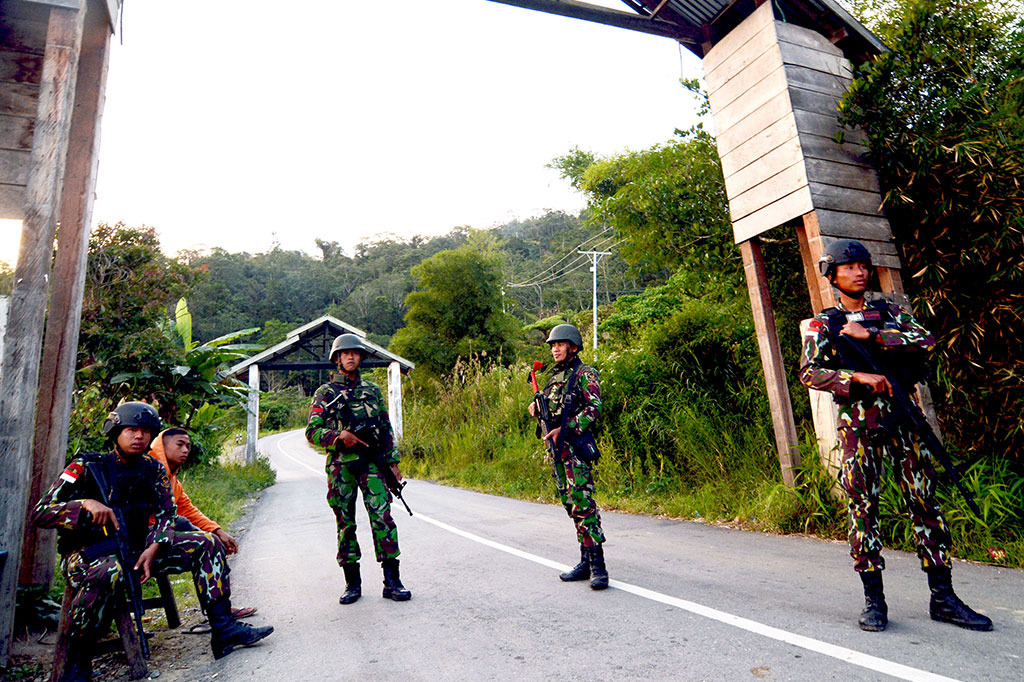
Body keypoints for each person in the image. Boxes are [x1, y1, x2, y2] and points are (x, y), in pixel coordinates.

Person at [798, 239, 992, 633]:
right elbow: (809, 372)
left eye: (863, 266)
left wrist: (875, 338)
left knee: (925, 505)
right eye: (849, 267)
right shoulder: (825, 324)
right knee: (863, 508)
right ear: (832, 276)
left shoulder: (890, 314)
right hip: (860, 427)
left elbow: (926, 340)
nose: (859, 272)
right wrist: (855, 377)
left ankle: (944, 598)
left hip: (905, 421)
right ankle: (874, 601)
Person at [33, 402, 274, 682]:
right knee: (109, 571)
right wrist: (84, 504)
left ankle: (223, 628)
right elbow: (41, 513)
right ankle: (77, 664)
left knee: (205, 542)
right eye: (131, 430)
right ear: (116, 431)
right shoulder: (85, 466)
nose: (139, 436)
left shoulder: (154, 469)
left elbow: (166, 514)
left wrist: (154, 546)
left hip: (139, 551)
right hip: (88, 555)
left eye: (145, 431)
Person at [306, 333, 410, 604]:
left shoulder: (372, 390)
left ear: (361, 357)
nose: (351, 357)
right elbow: (312, 432)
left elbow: (385, 428)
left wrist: (393, 463)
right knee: (345, 523)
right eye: (345, 353)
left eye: (355, 353)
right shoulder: (325, 393)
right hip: (342, 468)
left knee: (382, 517)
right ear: (337, 358)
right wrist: (339, 437)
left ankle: (392, 581)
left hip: (373, 464)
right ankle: (352, 583)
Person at [528, 324, 608, 590]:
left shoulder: (585, 374)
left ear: (573, 346)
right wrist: (536, 408)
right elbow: (551, 410)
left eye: (560, 344)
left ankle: (599, 566)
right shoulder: (554, 378)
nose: (555, 349)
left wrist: (566, 428)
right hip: (558, 452)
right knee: (569, 503)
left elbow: (594, 409)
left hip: (575, 449)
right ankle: (585, 560)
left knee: (583, 503)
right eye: (552, 345)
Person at [149, 427, 256, 620]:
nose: (185, 450)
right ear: (161, 446)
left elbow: (188, 509)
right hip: (146, 541)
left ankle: (221, 609)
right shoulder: (147, 471)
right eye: (179, 445)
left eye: (188, 446)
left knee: (210, 539)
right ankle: (219, 614)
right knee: (207, 544)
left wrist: (217, 530)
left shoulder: (173, 480)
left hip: (164, 537)